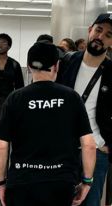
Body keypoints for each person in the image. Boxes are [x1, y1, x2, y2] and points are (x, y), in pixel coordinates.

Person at [0, 42, 96, 206]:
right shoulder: (71, 98)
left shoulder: (15, 99)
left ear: (28, 66)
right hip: (61, 183)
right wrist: (87, 181)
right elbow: (89, 145)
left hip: (22, 183)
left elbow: (0, 147)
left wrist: (1, 183)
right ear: (56, 66)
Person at [57, 13, 112, 206]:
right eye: (98, 30)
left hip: (97, 150)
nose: (101, 36)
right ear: (90, 30)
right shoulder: (67, 63)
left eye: (108, 35)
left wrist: (108, 144)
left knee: (91, 202)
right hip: (64, 148)